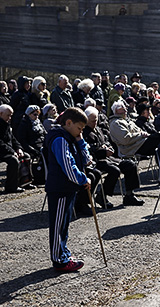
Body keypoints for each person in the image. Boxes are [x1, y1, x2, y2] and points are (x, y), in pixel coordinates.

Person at [43, 107, 92, 272]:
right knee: (58, 225)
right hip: (59, 189)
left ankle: (63, 252)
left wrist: (80, 141)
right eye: (79, 128)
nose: (80, 132)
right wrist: (82, 179)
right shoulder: (59, 139)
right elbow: (68, 166)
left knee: (64, 224)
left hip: (68, 189)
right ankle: (59, 260)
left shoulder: (71, 137)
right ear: (68, 123)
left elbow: (87, 160)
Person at [83, 106, 143, 208]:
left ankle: (129, 194)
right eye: (92, 121)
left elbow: (107, 140)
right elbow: (88, 151)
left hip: (109, 158)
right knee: (114, 170)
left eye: (96, 120)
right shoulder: (84, 132)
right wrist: (103, 151)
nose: (95, 123)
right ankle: (102, 195)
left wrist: (108, 147)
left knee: (130, 164)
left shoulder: (98, 129)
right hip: (97, 160)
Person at [0, 104, 36, 193]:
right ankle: (11, 187)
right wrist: (12, 151)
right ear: (1, 114)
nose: (10, 118)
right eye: (8, 115)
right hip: (1, 151)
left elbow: (13, 139)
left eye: (11, 115)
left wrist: (18, 148)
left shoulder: (6, 123)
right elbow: (0, 143)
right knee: (13, 160)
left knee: (26, 156)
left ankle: (25, 182)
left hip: (8, 150)